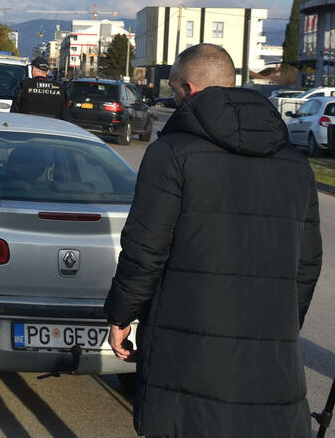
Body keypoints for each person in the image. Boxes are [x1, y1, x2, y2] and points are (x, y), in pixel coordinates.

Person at [104, 43, 322, 438]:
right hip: (270, 351)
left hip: (184, 345)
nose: (172, 98)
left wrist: (121, 315)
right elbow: (307, 263)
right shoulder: (296, 164)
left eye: (173, 90)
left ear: (189, 88)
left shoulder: (171, 153)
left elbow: (145, 249)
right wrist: (283, 323)